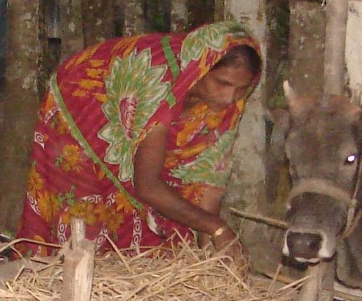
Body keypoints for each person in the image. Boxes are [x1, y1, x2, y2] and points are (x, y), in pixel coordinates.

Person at [16, 22, 261, 270]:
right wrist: (218, 228)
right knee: (89, 211)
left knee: (172, 226)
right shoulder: (157, 81)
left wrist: (213, 258)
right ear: (200, 69)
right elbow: (147, 186)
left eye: (241, 88)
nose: (229, 97)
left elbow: (208, 179)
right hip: (83, 103)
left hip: (143, 123)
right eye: (222, 83)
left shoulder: (228, 106)